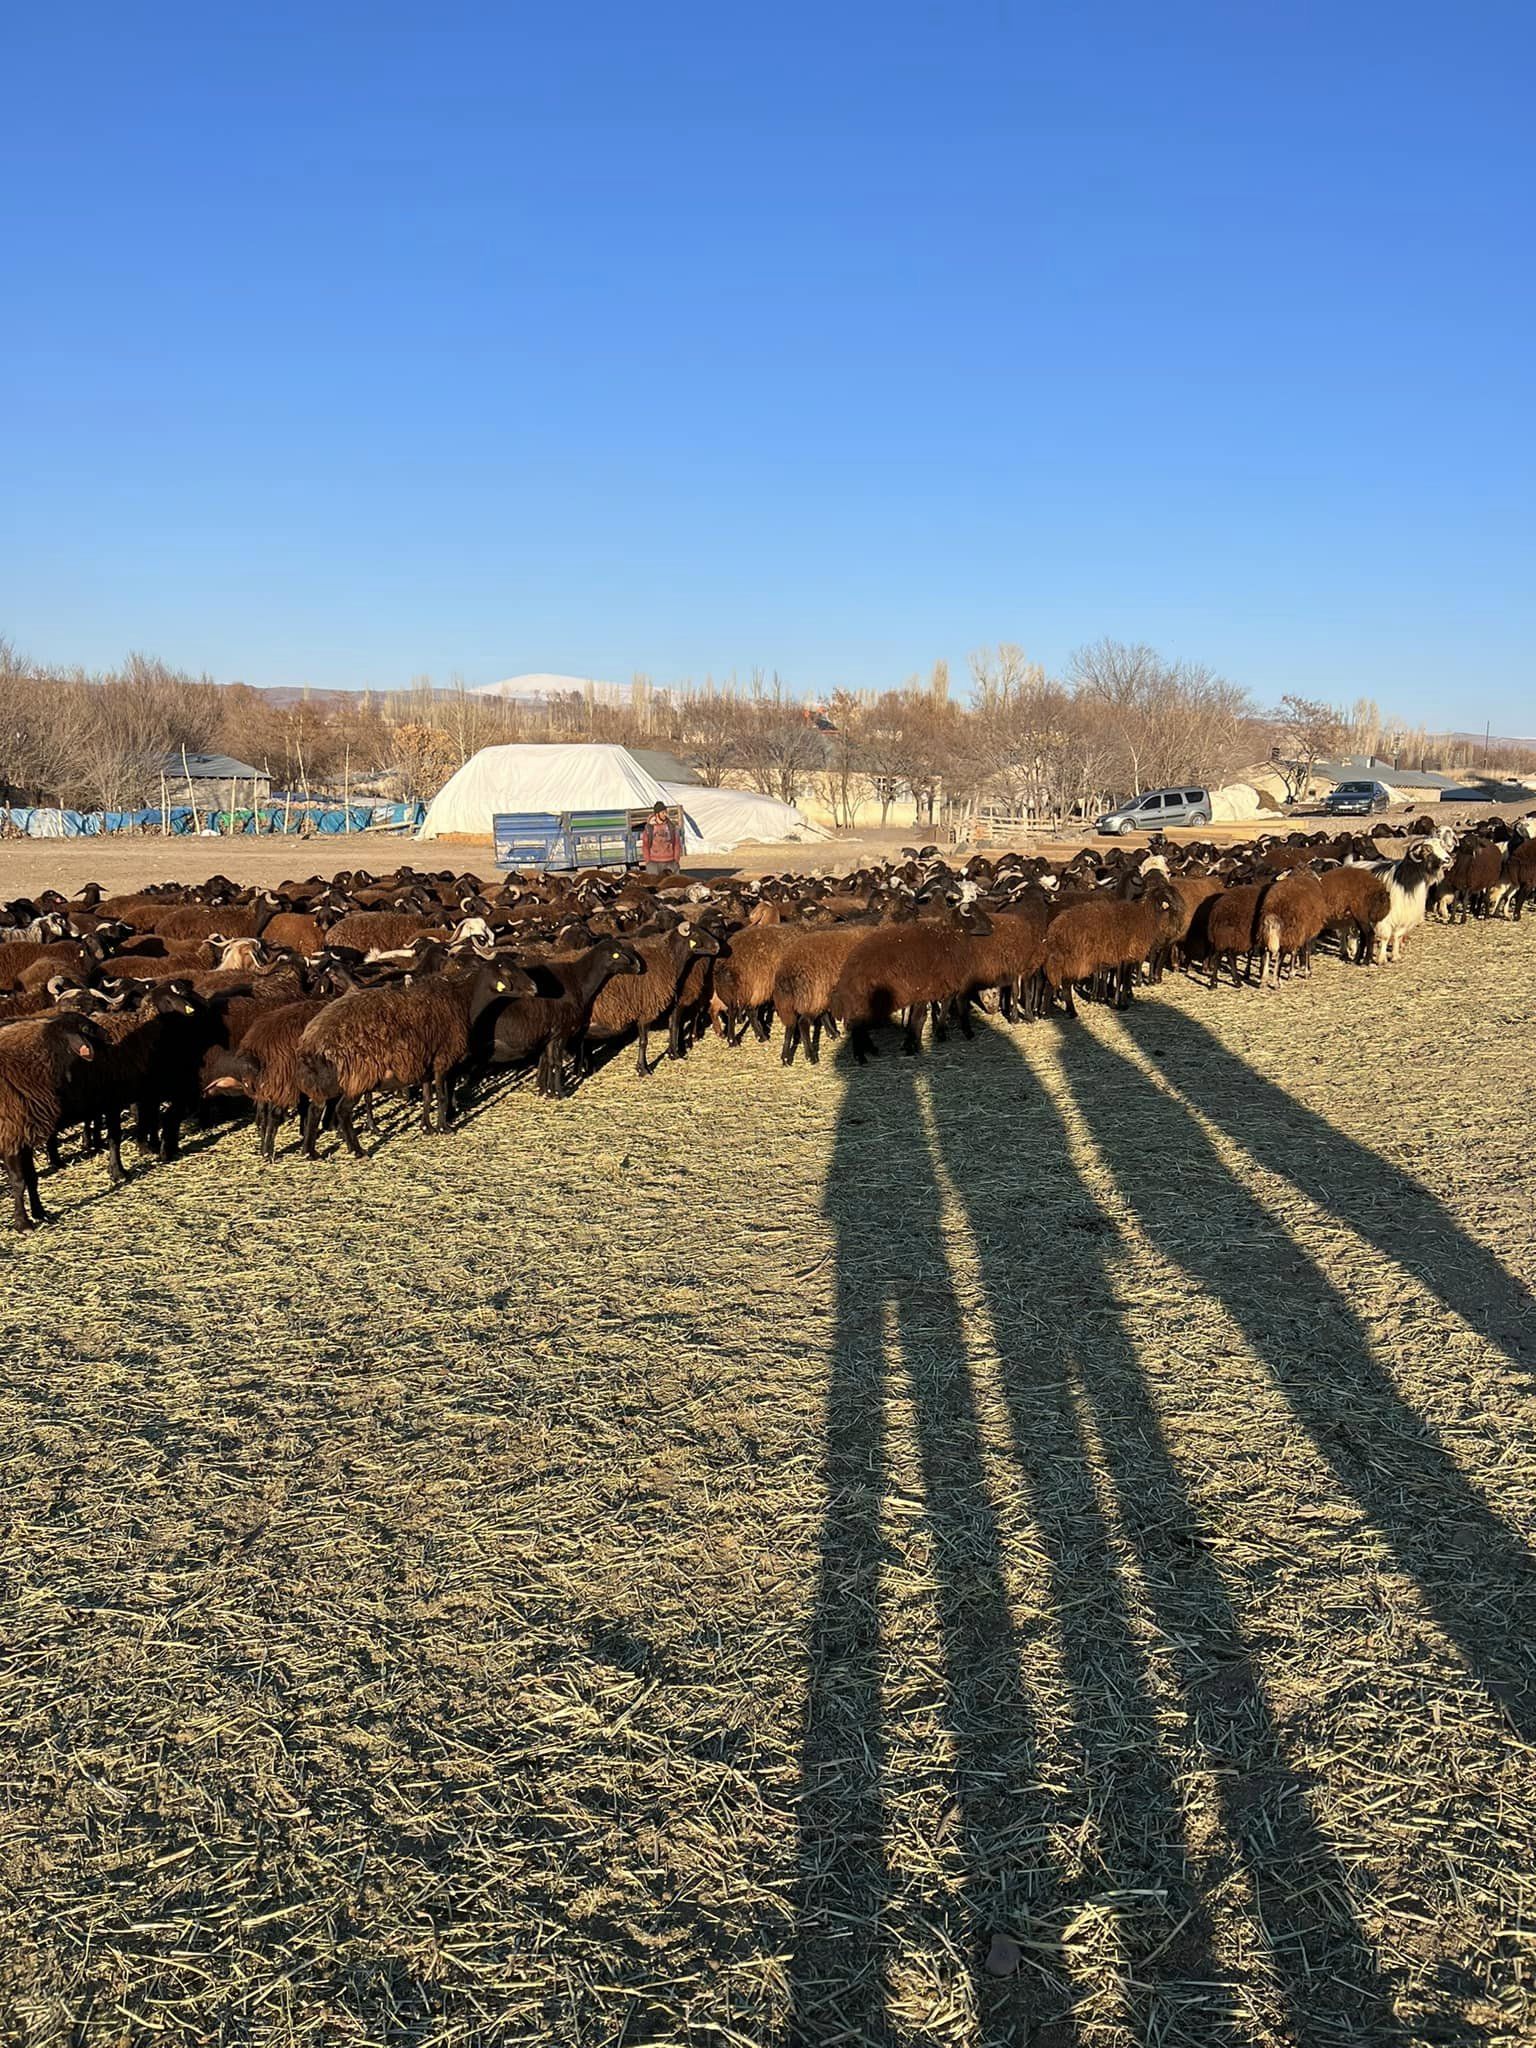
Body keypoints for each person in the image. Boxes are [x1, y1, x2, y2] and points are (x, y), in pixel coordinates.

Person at [639, 801, 683, 874]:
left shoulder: (671, 827)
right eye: (662, 813)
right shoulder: (649, 828)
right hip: (654, 863)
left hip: (670, 862)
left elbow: (677, 844)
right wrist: (648, 861)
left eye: (665, 812)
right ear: (657, 814)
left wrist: (676, 860)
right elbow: (645, 846)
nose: (665, 815)